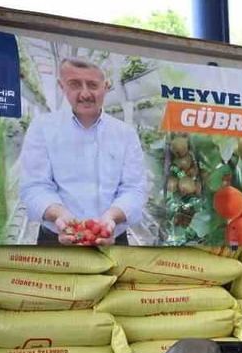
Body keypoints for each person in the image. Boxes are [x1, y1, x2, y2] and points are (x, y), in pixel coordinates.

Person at [19, 57, 148, 246]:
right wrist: (60, 216)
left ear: (106, 86)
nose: (85, 93)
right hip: (56, 239)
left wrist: (112, 217)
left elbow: (134, 188)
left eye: (93, 85)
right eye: (75, 85)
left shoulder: (125, 134)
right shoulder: (43, 128)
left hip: (111, 237)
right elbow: (35, 186)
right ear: (61, 86)